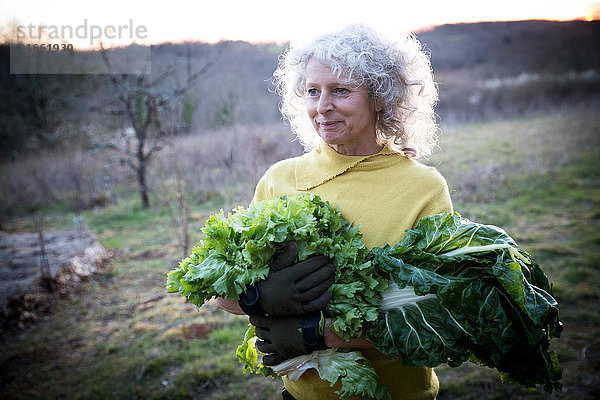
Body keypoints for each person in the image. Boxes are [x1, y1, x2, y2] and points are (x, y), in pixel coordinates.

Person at [216, 24, 453, 400]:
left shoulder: (422, 188)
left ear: (380, 97)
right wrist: (255, 299)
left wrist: (315, 333)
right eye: (313, 91)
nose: (322, 106)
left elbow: (431, 314)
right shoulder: (279, 179)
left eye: (340, 90)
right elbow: (219, 291)